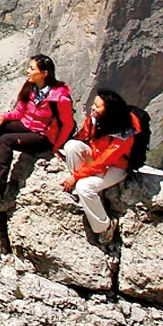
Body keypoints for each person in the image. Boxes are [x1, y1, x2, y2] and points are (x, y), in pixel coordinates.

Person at [0, 55, 72, 209]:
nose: (28, 71)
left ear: (44, 73)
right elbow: (20, 112)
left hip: (42, 136)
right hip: (25, 125)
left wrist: (56, 147)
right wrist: (3, 117)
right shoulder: (31, 87)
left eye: (32, 68)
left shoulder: (60, 98)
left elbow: (67, 125)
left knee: (6, 140)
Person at [59, 89, 140, 240]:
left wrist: (75, 177)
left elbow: (104, 161)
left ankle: (105, 227)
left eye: (97, 106)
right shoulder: (96, 120)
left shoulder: (123, 135)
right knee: (71, 146)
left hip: (116, 166)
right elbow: (83, 135)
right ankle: (89, 196)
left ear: (109, 111)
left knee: (84, 187)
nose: (93, 108)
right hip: (97, 157)